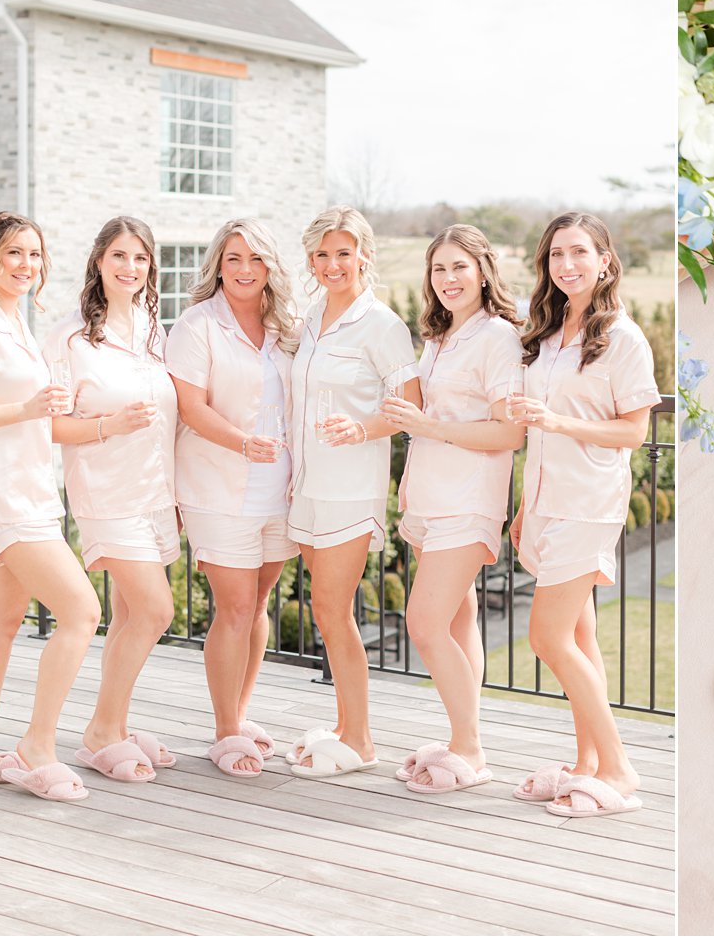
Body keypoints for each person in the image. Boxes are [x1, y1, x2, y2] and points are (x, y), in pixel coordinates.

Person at [0, 212, 100, 801]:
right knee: (82, 612)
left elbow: (40, 419)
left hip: (27, 494)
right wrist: (27, 410)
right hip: (2, 501)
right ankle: (38, 745)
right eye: (14, 253)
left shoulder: (15, 324)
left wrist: (102, 425)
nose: (26, 265)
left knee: (2, 623)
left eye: (35, 254)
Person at [508, 212, 661, 817]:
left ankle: (619, 768)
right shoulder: (545, 335)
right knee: (579, 636)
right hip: (546, 501)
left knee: (545, 636)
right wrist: (525, 505)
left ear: (604, 260)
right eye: (555, 255)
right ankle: (586, 763)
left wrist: (558, 421)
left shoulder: (623, 338)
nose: (566, 265)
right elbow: (534, 439)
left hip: (589, 504)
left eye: (579, 253)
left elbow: (634, 430)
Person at [380, 225, 524, 794]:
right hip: (429, 499)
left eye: (459, 267)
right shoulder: (439, 339)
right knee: (459, 618)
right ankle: (463, 735)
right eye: (439, 269)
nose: (448, 279)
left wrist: (429, 427)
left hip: (469, 501)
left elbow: (508, 432)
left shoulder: (498, 338)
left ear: (484, 271)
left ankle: (469, 748)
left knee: (424, 622)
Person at [286, 206, 421, 778]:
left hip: (350, 490)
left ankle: (361, 739)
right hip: (305, 486)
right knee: (326, 610)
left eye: (343, 253)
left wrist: (363, 427)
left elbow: (412, 410)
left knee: (331, 609)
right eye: (321, 254)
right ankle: (343, 727)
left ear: (364, 255)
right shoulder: (310, 316)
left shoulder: (383, 326)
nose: (332, 264)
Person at [45, 217, 179, 783]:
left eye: (141, 258)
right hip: (106, 494)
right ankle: (101, 730)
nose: (130, 268)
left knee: (130, 614)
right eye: (119, 256)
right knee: (156, 609)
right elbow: (49, 426)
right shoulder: (68, 337)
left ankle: (116, 724)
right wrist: (110, 424)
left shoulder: (154, 330)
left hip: (156, 494)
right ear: (99, 261)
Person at [165, 218, 300, 777]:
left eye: (256, 259)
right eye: (233, 259)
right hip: (217, 488)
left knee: (258, 604)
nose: (245, 270)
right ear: (218, 265)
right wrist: (244, 443)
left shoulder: (287, 328)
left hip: (281, 491)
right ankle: (225, 733)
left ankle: (240, 715)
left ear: (271, 267)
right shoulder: (197, 325)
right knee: (236, 606)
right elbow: (191, 408)